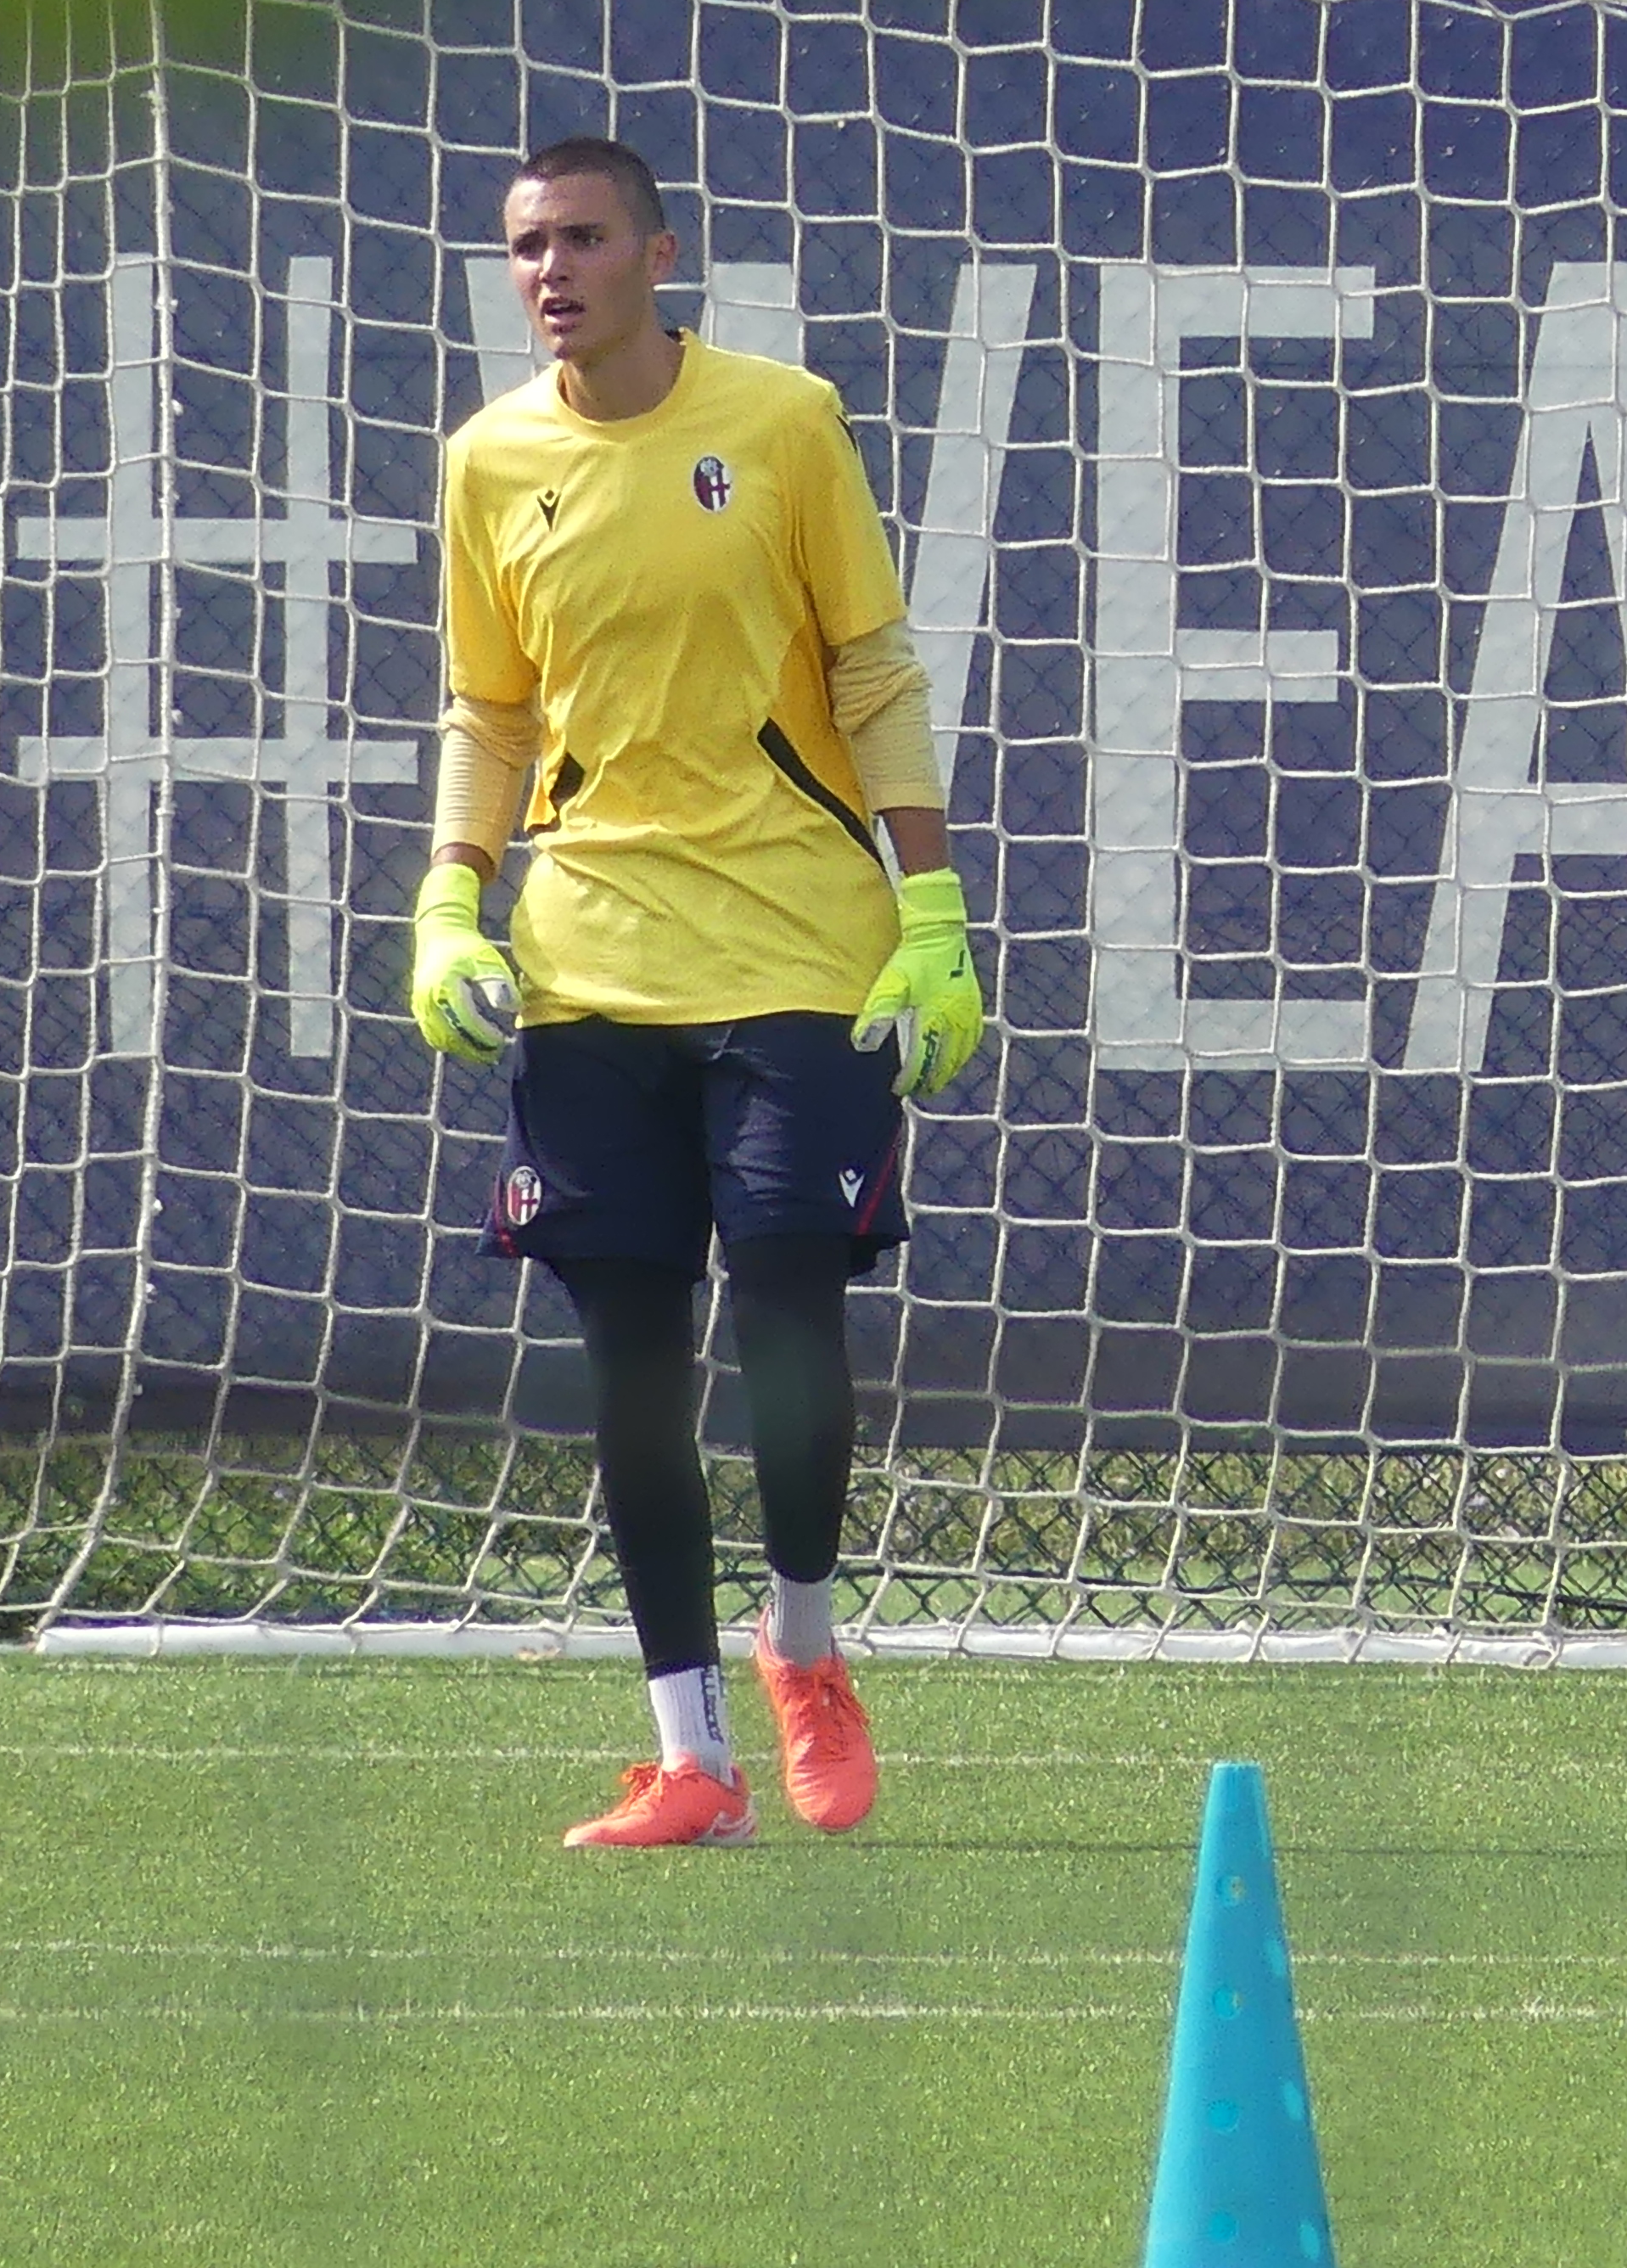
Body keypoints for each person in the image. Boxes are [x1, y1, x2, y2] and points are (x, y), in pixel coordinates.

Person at [412, 136, 982, 1848]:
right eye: (528, 247)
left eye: (584, 238)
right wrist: (450, 902)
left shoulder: (783, 423)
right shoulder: (488, 460)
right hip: (589, 967)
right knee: (634, 1369)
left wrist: (931, 907)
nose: (552, 272)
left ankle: (801, 1647)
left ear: (659, 255)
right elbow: (490, 709)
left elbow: (871, 664)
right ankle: (690, 1756)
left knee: (791, 1302)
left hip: (799, 944)